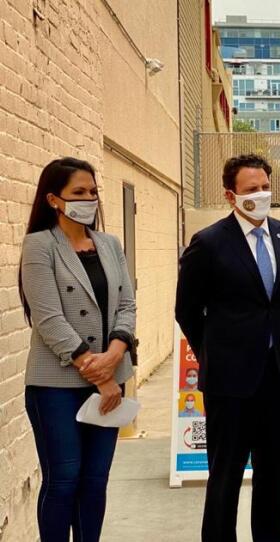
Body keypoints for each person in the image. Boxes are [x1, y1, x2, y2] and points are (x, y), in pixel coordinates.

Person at [175, 153, 280, 542]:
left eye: (266, 187)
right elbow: (186, 310)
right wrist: (217, 352)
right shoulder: (209, 243)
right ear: (231, 196)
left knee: (276, 471)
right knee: (226, 473)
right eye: (252, 190)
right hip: (229, 382)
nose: (261, 195)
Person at [19, 157, 136, 542]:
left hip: (111, 378)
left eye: (93, 192)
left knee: (94, 481)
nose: (89, 200)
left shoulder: (109, 244)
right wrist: (98, 373)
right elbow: (48, 318)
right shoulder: (40, 245)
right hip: (57, 386)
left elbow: (127, 305)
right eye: (79, 193)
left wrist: (115, 355)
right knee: (64, 479)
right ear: (54, 199)